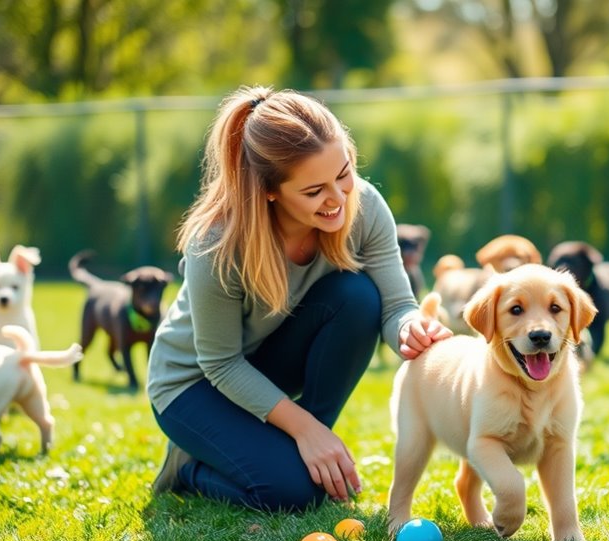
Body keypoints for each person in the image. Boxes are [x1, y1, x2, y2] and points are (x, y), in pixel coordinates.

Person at [147, 85, 452, 511]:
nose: (339, 198)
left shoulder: (363, 205)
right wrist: (303, 428)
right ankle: (186, 469)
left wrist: (410, 328)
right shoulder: (215, 243)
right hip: (194, 384)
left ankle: (302, 450)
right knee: (293, 492)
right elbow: (220, 363)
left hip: (265, 362)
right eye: (314, 192)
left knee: (359, 296)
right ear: (269, 191)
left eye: (344, 173)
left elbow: (396, 305)